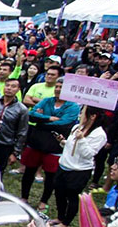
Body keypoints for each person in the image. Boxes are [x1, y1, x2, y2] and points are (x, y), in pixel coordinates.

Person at [20, 78, 80, 212]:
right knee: (29, 171)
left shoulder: (73, 106)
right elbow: (31, 114)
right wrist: (48, 118)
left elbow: (65, 124)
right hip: (36, 142)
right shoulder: (47, 100)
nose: (58, 89)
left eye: (61, 87)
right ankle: (24, 198)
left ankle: (43, 201)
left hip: (54, 146)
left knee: (50, 176)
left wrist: (41, 122)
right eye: (57, 86)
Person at [49, 106, 107, 227]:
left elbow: (89, 154)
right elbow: (71, 146)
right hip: (64, 165)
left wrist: (81, 139)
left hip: (79, 171)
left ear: (93, 116)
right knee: (59, 193)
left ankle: (66, 223)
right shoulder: (77, 127)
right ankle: (60, 217)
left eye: (83, 113)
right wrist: (63, 142)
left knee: (72, 196)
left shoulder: (99, 134)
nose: (80, 115)